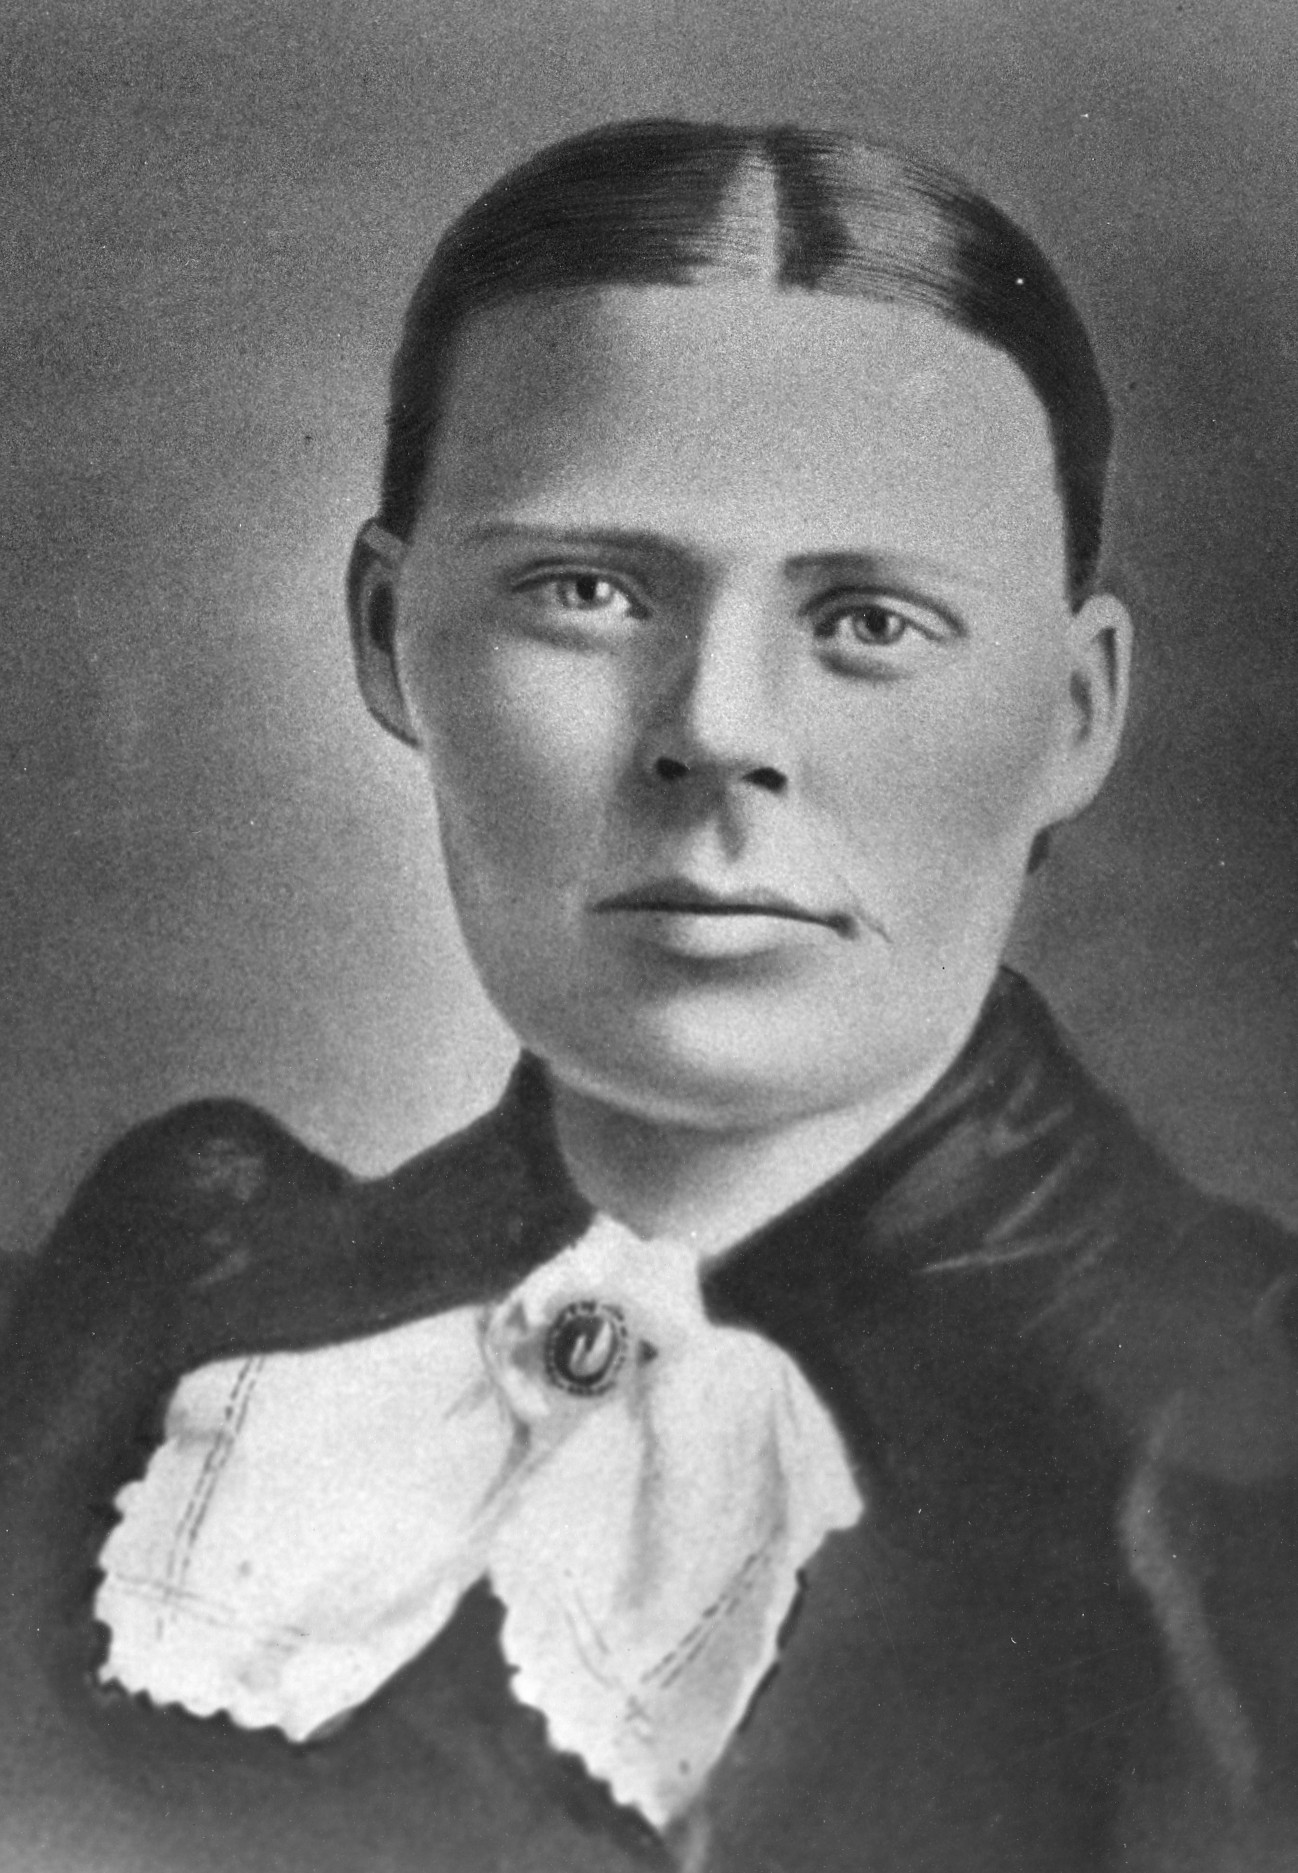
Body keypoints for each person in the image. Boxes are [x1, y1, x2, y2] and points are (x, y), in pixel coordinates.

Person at [1, 118, 1295, 1873]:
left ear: (1074, 711)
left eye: (869, 620)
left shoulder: (1241, 1466)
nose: (719, 733)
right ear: (387, 633)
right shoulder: (140, 1329)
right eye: (587, 591)